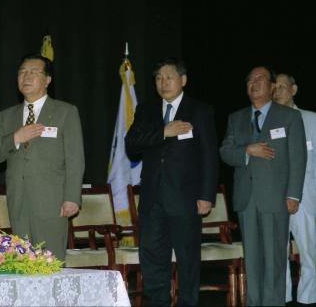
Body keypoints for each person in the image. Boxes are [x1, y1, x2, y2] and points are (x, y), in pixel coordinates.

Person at [125, 57, 218, 306]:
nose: (163, 83)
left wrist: (206, 195)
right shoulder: (146, 109)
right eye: (158, 78)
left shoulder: (200, 110)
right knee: (153, 258)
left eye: (169, 77)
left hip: (186, 199)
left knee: (187, 260)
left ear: (183, 80)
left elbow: (209, 155)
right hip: (152, 199)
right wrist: (163, 132)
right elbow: (131, 146)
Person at [220, 66, 306, 306]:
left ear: (272, 86)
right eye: (249, 80)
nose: (254, 83)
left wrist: (293, 194)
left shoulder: (289, 116)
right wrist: (247, 150)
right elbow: (225, 152)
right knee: (253, 260)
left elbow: (298, 158)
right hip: (246, 199)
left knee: (274, 259)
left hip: (276, 198)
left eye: (260, 79)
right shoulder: (235, 118)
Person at [0, 53, 84, 261]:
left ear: (47, 80)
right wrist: (15, 138)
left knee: (50, 264)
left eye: (33, 72)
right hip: (18, 200)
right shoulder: (7, 116)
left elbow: (76, 158)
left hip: (53, 202)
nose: (26, 77)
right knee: (22, 265)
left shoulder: (65, 112)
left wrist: (72, 197)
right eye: (22, 72)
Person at [273, 73, 316, 305]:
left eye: (282, 86)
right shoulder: (266, 120)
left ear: (294, 89)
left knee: (310, 253)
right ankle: (283, 298)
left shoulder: (312, 120)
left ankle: (309, 299)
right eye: (274, 86)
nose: (277, 91)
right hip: (274, 200)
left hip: (307, 199)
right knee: (277, 254)